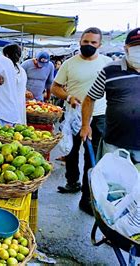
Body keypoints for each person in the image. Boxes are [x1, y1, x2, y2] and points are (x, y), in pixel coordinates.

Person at [51, 27, 112, 214]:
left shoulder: (108, 64)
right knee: (71, 150)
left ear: (100, 44)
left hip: (99, 116)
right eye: (86, 42)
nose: (89, 45)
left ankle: (87, 197)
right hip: (74, 115)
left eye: (93, 43)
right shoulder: (69, 63)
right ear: (80, 42)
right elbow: (55, 88)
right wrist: (68, 96)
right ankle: (72, 182)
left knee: (91, 157)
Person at [81, 27, 140, 164]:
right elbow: (90, 98)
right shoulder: (110, 70)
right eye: (135, 47)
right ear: (126, 49)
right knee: (111, 183)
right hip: (114, 143)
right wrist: (85, 125)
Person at [3, 43, 27, 124]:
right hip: (19, 106)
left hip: (8, 108)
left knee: (7, 132)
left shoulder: (6, 70)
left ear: (6, 56)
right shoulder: (21, 70)